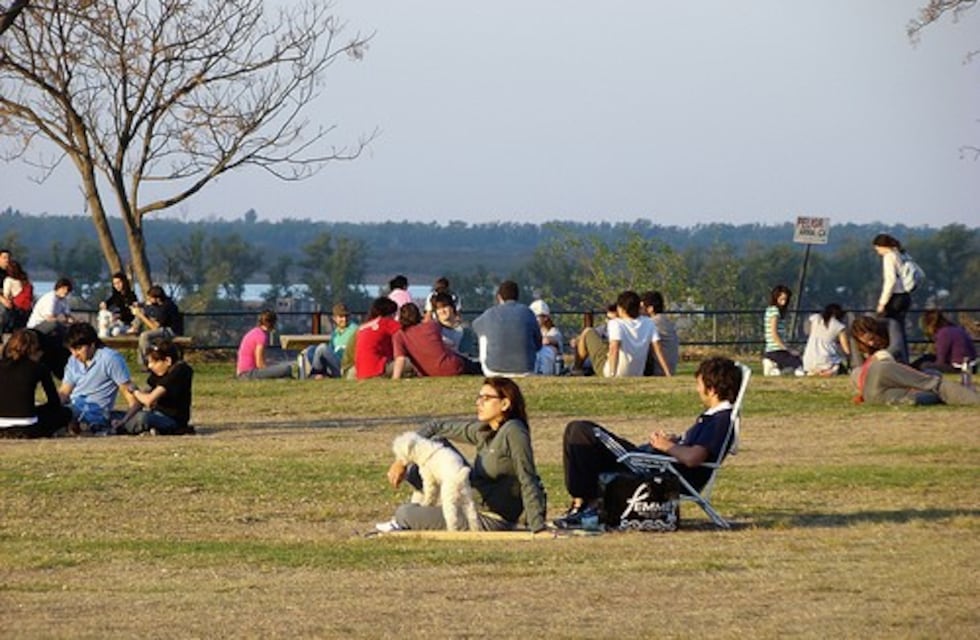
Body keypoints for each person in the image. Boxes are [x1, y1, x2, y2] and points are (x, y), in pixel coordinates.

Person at [553, 356, 743, 529]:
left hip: (657, 469)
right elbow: (693, 449)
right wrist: (674, 441)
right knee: (577, 432)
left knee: (583, 431)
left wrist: (666, 446)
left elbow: (694, 458)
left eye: (699, 384)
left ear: (712, 389)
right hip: (655, 463)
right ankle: (582, 503)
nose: (697, 390)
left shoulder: (720, 420)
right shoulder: (714, 418)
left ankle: (586, 504)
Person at [378, 376, 548, 533]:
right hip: (468, 499)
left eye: (486, 399)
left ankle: (418, 514)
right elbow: (436, 427)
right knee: (433, 446)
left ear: (504, 404)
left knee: (404, 513)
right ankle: (427, 509)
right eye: (479, 397)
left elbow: (528, 477)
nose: (479, 403)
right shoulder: (484, 430)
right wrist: (402, 460)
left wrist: (537, 526)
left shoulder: (514, 431)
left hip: (489, 517)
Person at [849, 316, 978, 406]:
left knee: (926, 388)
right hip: (877, 376)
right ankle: (968, 396)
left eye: (872, 338)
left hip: (877, 384)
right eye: (867, 341)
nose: (871, 344)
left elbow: (896, 348)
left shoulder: (888, 327)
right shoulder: (861, 348)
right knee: (934, 385)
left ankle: (966, 396)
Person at [58, 322, 138, 434]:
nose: (75, 354)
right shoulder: (73, 360)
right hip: (72, 408)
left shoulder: (110, 358)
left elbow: (130, 396)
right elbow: (64, 393)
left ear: (92, 344)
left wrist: (124, 421)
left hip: (94, 413)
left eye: (78, 348)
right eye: (71, 350)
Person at [575, 290, 666, 378]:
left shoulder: (616, 323)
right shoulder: (648, 322)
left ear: (620, 309)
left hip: (613, 371)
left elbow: (614, 349)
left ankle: (576, 369)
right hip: (637, 373)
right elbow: (658, 349)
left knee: (588, 332)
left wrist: (612, 374)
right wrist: (667, 373)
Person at [0, 329, 71, 439]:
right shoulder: (39, 368)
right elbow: (54, 403)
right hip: (29, 427)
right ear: (35, 350)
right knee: (65, 413)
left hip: (1, 425)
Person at [114, 340, 194, 435]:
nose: (150, 366)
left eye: (153, 362)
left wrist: (135, 391)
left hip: (172, 419)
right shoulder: (158, 373)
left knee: (143, 418)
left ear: (167, 361)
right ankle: (125, 425)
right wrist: (124, 420)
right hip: (156, 414)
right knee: (113, 414)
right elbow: (141, 401)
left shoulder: (179, 372)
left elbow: (149, 400)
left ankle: (118, 428)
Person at [391, 302, 481, 379]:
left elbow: (400, 359)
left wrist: (395, 379)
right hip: (453, 366)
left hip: (429, 373)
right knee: (474, 366)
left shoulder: (399, 336)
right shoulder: (431, 326)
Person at [471, 280, 542, 377]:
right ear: (517, 296)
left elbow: (475, 326)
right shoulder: (528, 312)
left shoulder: (490, 313)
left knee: (483, 335)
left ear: (499, 297)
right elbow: (538, 343)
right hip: (526, 370)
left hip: (493, 370)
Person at [872, 233, 913, 363]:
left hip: (895, 297)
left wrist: (882, 302)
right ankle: (904, 359)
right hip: (905, 296)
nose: (878, 252)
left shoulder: (889, 257)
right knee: (900, 331)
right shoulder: (902, 255)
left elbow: (890, 281)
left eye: (877, 249)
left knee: (892, 331)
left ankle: (895, 359)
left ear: (883, 246)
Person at [130, 285, 183, 368]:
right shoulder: (160, 304)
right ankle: (134, 329)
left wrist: (140, 315)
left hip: (171, 331)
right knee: (143, 338)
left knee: (144, 336)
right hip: (164, 329)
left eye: (150, 298)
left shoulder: (166, 306)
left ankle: (147, 362)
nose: (149, 300)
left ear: (157, 298)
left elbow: (155, 327)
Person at [303, 302, 359, 378]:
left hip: (344, 366)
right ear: (334, 318)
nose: (344, 319)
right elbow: (331, 350)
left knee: (322, 348)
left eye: (346, 316)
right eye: (341, 316)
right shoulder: (335, 333)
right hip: (334, 364)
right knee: (311, 349)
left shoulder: (354, 329)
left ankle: (315, 374)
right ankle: (322, 374)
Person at [913, 309, 977, 374]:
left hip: (959, 369)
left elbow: (941, 361)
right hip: (971, 366)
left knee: (924, 365)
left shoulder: (943, 334)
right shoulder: (956, 329)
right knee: (929, 358)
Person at [236, 309, 294, 379]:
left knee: (279, 367)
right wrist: (270, 370)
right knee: (287, 369)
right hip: (248, 373)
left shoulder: (255, 332)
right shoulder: (261, 336)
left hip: (243, 372)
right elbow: (259, 363)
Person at [353, 297, 400, 379]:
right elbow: (407, 331)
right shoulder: (385, 322)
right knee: (408, 363)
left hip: (361, 372)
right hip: (377, 369)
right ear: (389, 313)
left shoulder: (363, 327)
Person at [762, 284, 803, 376]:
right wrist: (788, 349)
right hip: (776, 350)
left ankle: (775, 367)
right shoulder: (775, 311)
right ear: (775, 298)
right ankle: (774, 368)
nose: (784, 303)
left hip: (772, 350)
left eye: (786, 300)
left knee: (792, 364)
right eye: (781, 299)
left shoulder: (770, 310)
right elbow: (774, 333)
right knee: (799, 364)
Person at [802, 303, 851, 376]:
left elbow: (811, 333)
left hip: (808, 361)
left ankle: (814, 371)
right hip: (826, 359)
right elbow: (846, 349)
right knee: (840, 367)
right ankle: (829, 371)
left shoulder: (815, 318)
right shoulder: (839, 326)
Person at [641, 290, 679, 376]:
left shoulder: (652, 323)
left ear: (650, 309)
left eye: (641, 307)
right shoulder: (665, 321)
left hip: (658, 370)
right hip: (670, 368)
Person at [98, 271, 139, 337]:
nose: (117, 285)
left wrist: (120, 316)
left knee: (116, 331)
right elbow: (108, 303)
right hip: (113, 321)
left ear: (124, 282)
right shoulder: (115, 296)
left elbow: (131, 314)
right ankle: (102, 336)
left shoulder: (131, 296)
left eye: (119, 283)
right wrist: (104, 304)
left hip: (125, 323)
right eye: (115, 284)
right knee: (102, 313)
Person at [529, 299, 564, 375]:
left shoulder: (554, 332)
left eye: (537, 316)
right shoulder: (531, 331)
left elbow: (550, 340)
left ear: (546, 318)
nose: (534, 319)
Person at [0, 259, 33, 332]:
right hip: (27, 310)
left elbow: (6, 296)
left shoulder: (9, 280)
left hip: (15, 309)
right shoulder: (25, 280)